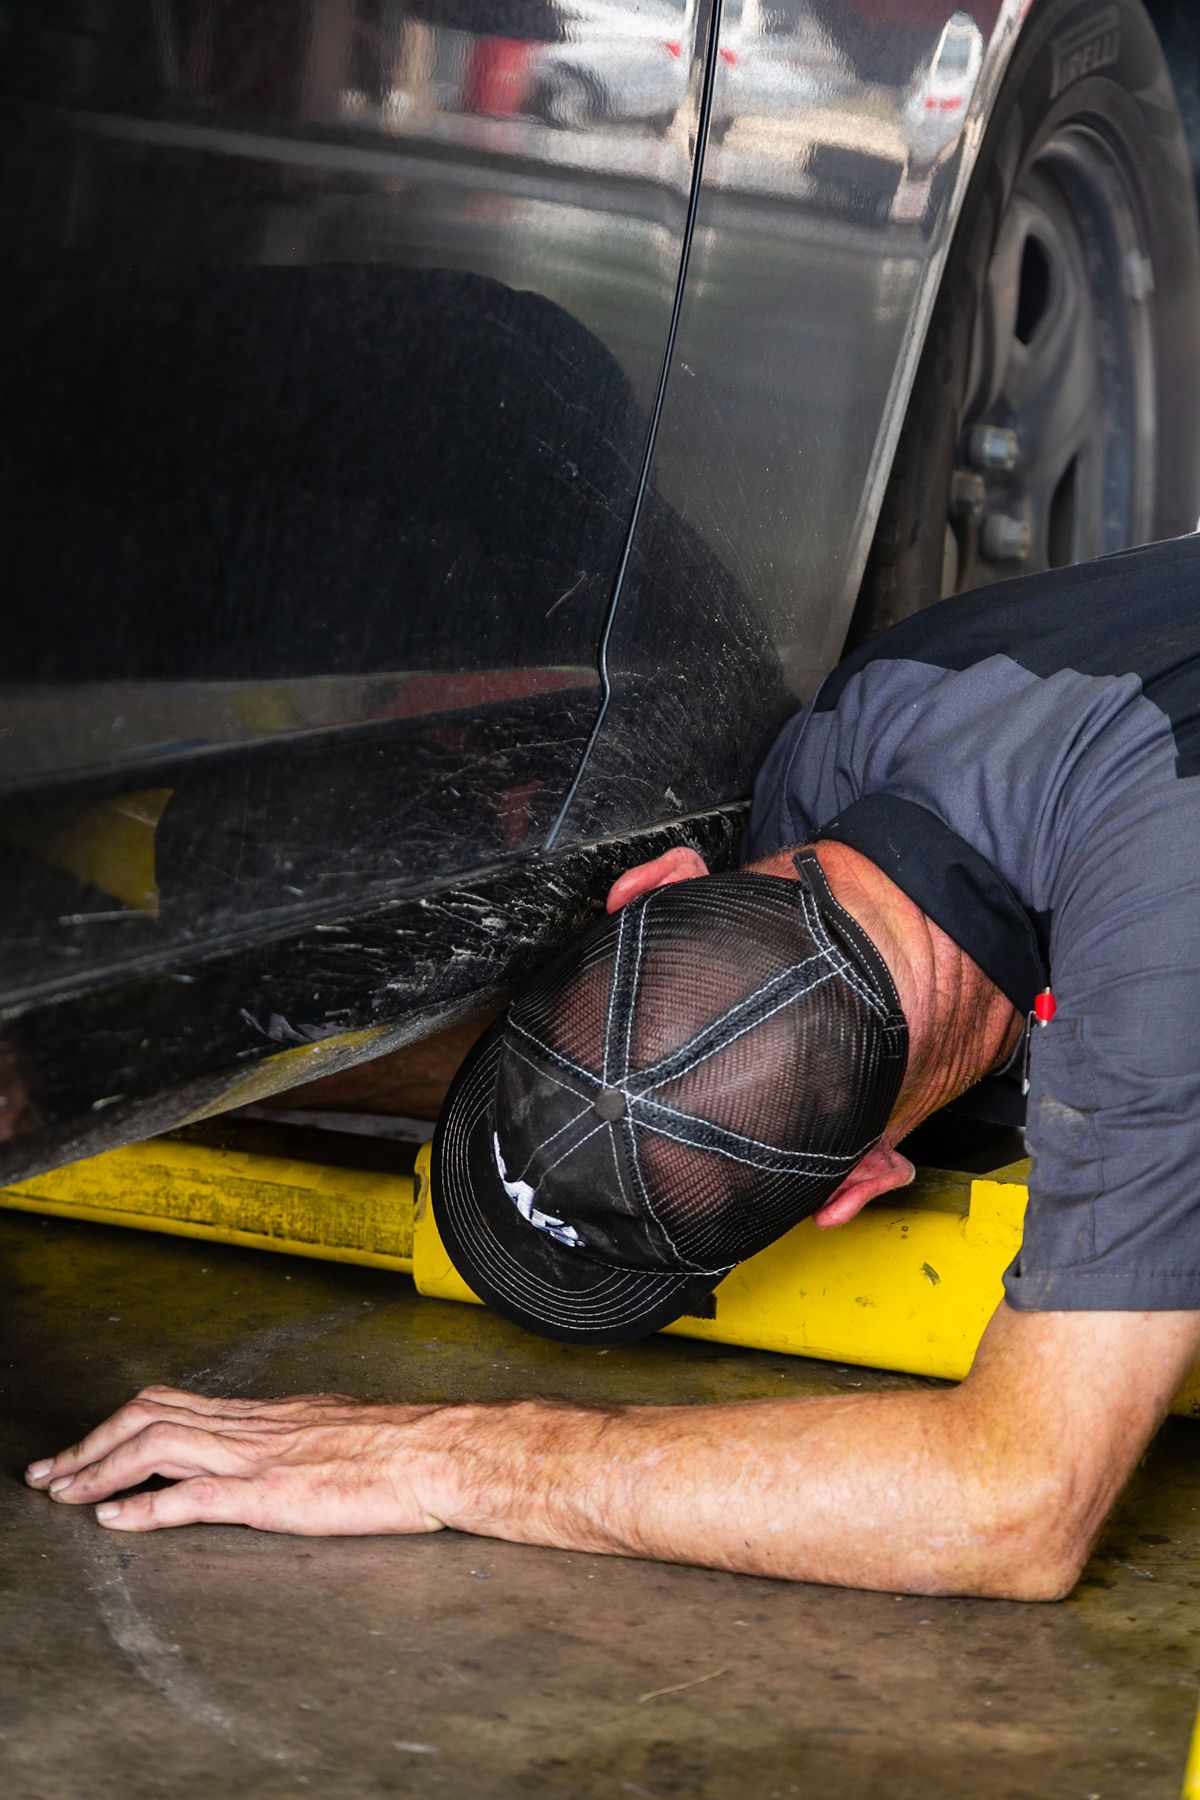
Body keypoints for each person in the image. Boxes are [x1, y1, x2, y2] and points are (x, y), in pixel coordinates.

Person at [25, 535, 1200, 1601]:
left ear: (863, 1184)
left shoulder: (1152, 975)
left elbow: (1015, 1501)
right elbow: (687, 1057)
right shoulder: (851, 732)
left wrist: (450, 1458)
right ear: (665, 890)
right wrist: (88, 1064)